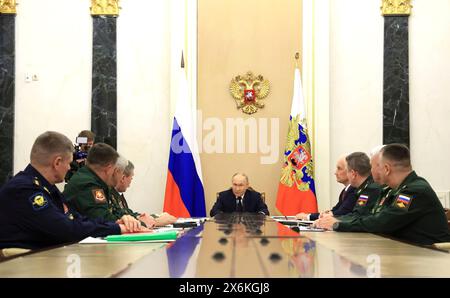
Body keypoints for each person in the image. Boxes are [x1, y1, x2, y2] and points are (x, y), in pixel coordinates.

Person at [0, 131, 141, 250]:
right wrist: (116, 229)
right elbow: (65, 229)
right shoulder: (25, 189)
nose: (69, 168)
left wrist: (114, 224)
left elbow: (76, 218)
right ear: (57, 162)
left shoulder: (47, 188)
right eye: (68, 163)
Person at [314, 144, 450, 245]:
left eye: (373, 166)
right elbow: (372, 217)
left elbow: (382, 222)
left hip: (428, 257)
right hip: (403, 251)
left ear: (386, 169)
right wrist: (337, 221)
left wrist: (338, 224)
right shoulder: (391, 190)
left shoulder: (414, 190)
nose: (370, 171)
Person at [63, 143, 151, 229]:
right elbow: (103, 219)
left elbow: (115, 212)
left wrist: (132, 220)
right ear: (109, 169)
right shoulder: (89, 184)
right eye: (117, 171)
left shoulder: (96, 182)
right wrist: (139, 224)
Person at [112, 160, 177, 226]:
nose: (130, 184)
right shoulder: (110, 196)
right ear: (123, 178)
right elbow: (115, 220)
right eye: (131, 178)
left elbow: (127, 213)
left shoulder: (118, 195)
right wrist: (154, 222)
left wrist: (153, 216)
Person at [296, 156, 357, 221]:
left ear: (350, 171)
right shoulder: (345, 191)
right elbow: (335, 211)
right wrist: (325, 214)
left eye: (339, 168)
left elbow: (341, 213)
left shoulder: (354, 190)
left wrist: (308, 217)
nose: (335, 173)